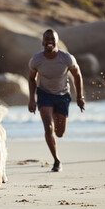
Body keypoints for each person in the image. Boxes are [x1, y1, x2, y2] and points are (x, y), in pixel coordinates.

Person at [28, 29, 85, 172]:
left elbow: (77, 75)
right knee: (48, 128)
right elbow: (31, 78)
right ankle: (56, 160)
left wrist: (80, 97)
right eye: (46, 39)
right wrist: (32, 99)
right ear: (42, 42)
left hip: (62, 96)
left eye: (52, 39)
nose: (49, 42)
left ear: (56, 41)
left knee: (59, 133)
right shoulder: (36, 60)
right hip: (44, 94)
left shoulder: (66, 58)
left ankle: (53, 113)